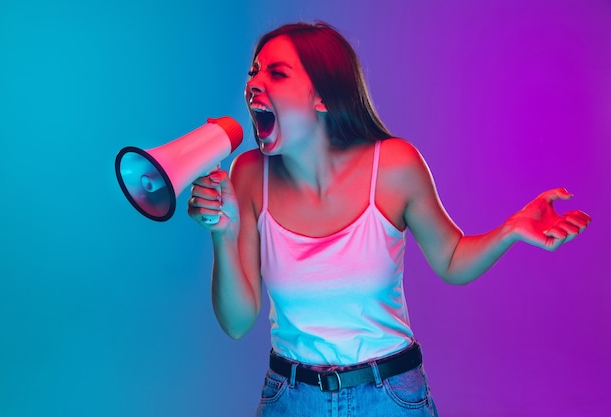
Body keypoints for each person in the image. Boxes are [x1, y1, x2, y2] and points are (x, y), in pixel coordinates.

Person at [187, 22, 591, 416]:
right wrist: (222, 232)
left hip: (389, 397)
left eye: (277, 73)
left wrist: (510, 230)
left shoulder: (394, 164)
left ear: (322, 98)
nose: (254, 84)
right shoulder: (248, 174)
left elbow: (450, 259)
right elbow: (237, 322)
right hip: (291, 399)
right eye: (253, 72)